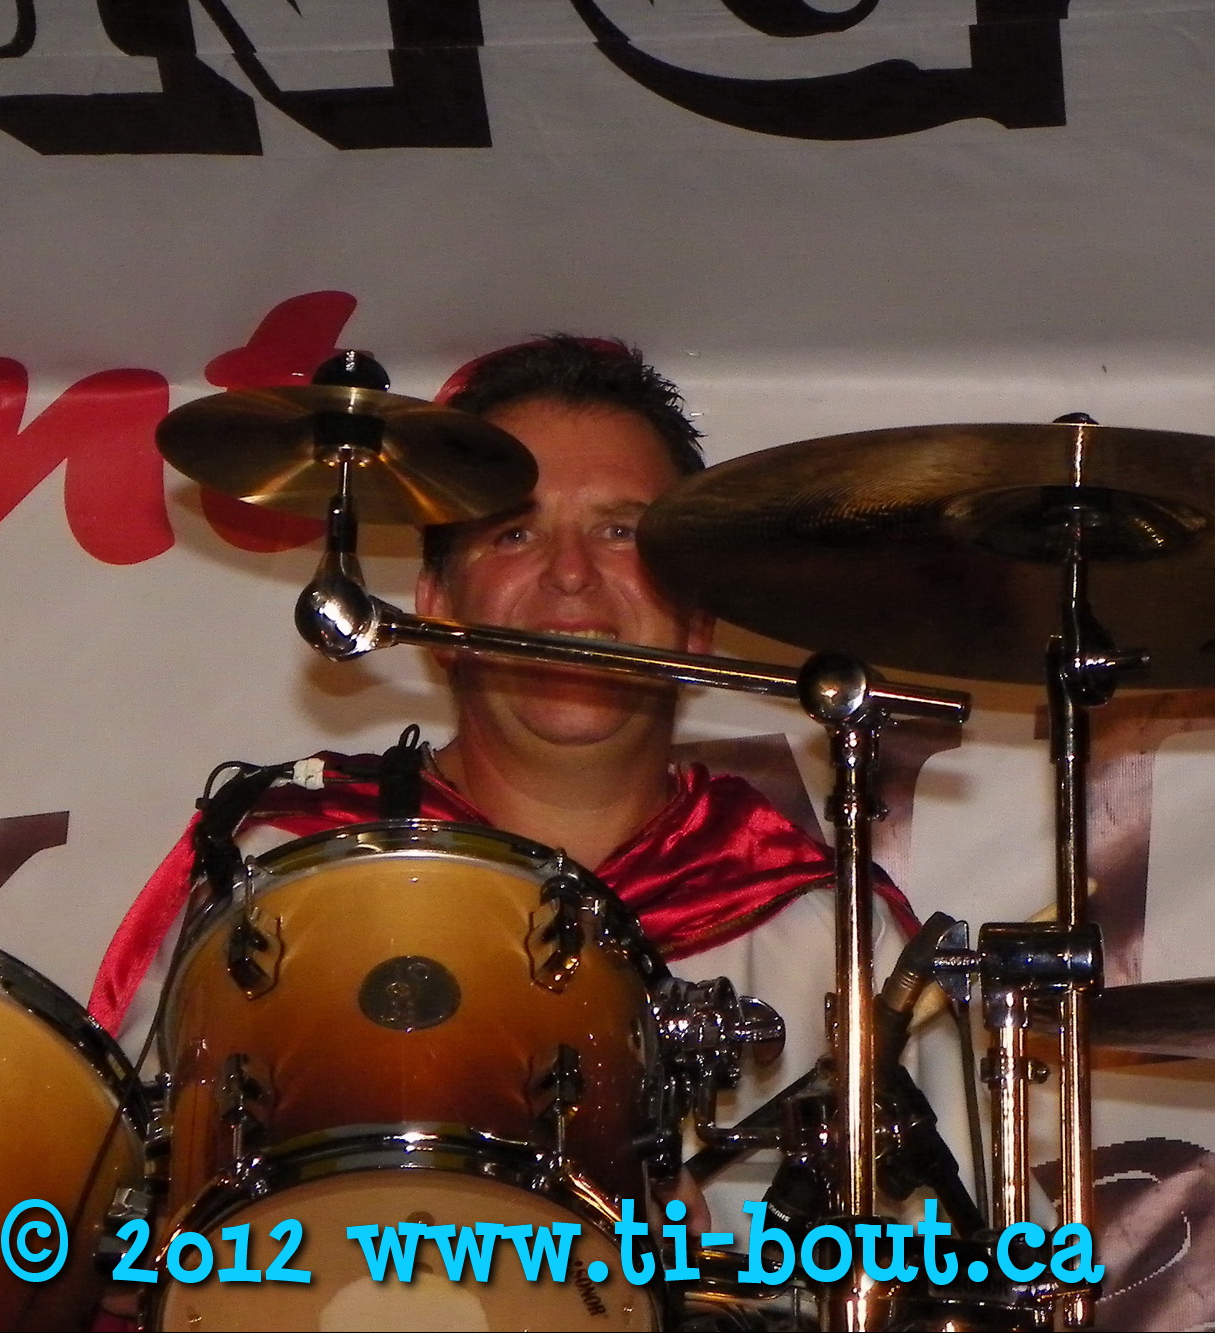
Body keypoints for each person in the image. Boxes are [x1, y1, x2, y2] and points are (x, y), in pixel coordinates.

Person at [89, 335, 920, 1231]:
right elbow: (112, 1233)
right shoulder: (276, 875)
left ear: (696, 621)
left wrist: (705, 1275)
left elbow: (939, 1275)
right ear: (436, 607)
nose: (572, 575)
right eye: (515, 532)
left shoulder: (831, 933)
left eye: (621, 531)